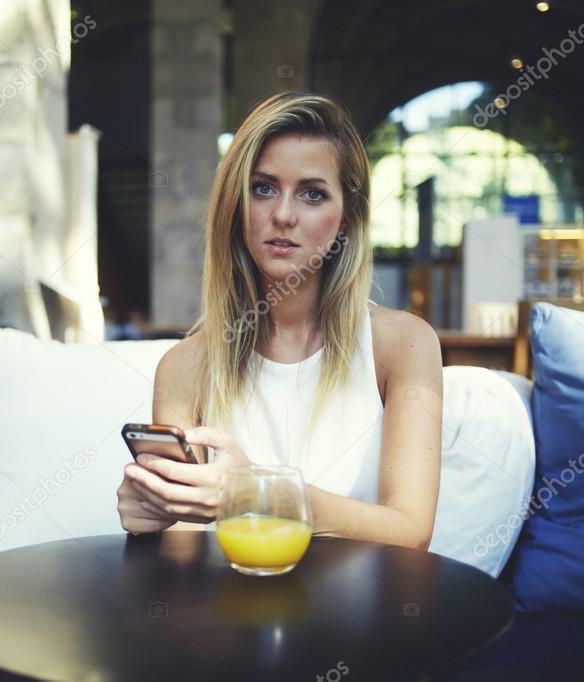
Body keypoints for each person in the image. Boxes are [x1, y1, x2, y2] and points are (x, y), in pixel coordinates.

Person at [117, 92, 442, 548]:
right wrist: (152, 519)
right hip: (230, 609)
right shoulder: (184, 366)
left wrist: (255, 491)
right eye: (263, 188)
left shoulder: (403, 345)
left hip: (365, 611)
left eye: (312, 194)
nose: (283, 215)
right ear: (235, 204)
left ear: (346, 219)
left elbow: (410, 531)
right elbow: (187, 549)